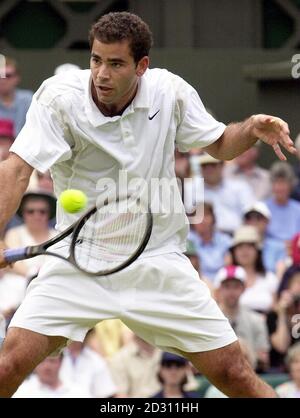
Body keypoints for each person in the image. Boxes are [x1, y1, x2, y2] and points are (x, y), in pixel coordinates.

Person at [0, 12, 295, 398]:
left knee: (235, 373)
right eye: (95, 60)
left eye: (116, 63)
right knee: (9, 364)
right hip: (78, 258)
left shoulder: (169, 93)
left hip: (157, 258)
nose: (101, 74)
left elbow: (221, 143)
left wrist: (251, 129)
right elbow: (17, 169)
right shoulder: (59, 99)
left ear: (141, 66)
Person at [214, 265, 270, 372]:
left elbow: (264, 359)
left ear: (243, 288)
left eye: (236, 286)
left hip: (250, 373)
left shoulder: (256, 320)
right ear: (220, 289)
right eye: (227, 286)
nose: (231, 292)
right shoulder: (210, 319)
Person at [229, 225, 278, 313]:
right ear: (233, 251)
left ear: (258, 251)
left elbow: (275, 308)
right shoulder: (225, 277)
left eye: (249, 246)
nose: (245, 251)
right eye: (240, 246)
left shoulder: (270, 278)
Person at [0, 57, 33, 136]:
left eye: (8, 76)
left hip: (24, 147)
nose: (3, 80)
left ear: (17, 78)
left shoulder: (29, 99)